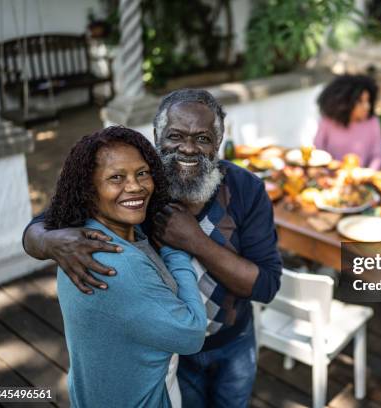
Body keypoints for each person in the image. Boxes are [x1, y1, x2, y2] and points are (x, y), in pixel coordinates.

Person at [22, 89, 283, 408]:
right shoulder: (137, 185)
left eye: (202, 138)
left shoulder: (245, 189)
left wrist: (195, 242)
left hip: (233, 343)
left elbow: (266, 285)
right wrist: (50, 242)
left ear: (218, 142)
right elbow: (40, 226)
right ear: (158, 137)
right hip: (166, 355)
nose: (188, 148)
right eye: (176, 136)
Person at [45, 126, 206, 407]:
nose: (136, 186)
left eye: (142, 173)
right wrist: (177, 248)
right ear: (88, 189)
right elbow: (191, 333)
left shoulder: (78, 239)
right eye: (116, 178)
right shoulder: (118, 262)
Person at [314, 74, 381, 170]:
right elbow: (317, 149)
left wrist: (368, 173)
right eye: (360, 101)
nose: (366, 106)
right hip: (328, 177)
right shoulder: (328, 121)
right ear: (345, 103)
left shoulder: (373, 122)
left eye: (368, 101)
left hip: (359, 180)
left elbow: (378, 156)